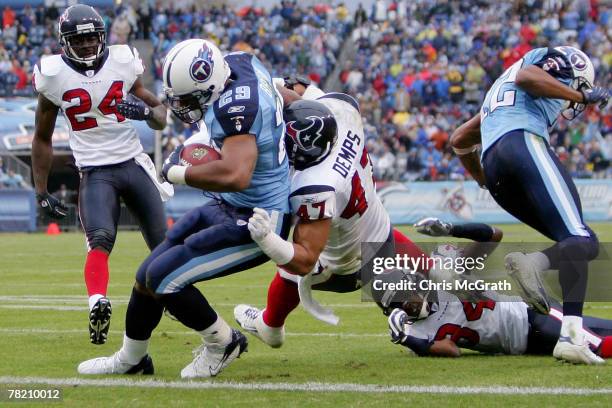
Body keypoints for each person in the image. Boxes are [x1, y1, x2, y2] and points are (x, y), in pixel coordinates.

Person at [78, 39, 291, 379]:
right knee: (146, 274)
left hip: (258, 220)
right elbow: (282, 93)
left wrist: (179, 172)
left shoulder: (238, 106)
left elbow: (237, 174)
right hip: (228, 205)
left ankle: (223, 342)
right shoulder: (240, 62)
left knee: (165, 279)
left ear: (210, 85)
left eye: (188, 99)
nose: (180, 105)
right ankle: (132, 359)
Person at [450, 46, 609, 364]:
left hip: (497, 165)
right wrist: (580, 97)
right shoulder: (553, 61)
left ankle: (537, 268)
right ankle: (571, 335)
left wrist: (483, 177)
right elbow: (528, 77)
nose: (569, 99)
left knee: (584, 243)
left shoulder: (500, 89)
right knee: (578, 237)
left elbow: (460, 139)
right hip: (521, 142)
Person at [31, 5, 169, 345]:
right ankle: (97, 301)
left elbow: (162, 117)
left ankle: (175, 297)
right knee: (100, 239)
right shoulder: (52, 76)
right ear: (65, 43)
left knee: (162, 244)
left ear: (103, 37)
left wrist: (145, 112)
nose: (89, 46)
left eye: (93, 38)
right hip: (94, 170)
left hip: (132, 163)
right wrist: (41, 189)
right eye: (80, 41)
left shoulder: (122, 62)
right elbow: (42, 137)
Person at [234, 83, 397, 347]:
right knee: (433, 289)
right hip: (384, 237)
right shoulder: (343, 115)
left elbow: (304, 262)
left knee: (292, 260)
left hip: (347, 270)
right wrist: (268, 86)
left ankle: (270, 325)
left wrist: (267, 240)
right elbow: (305, 92)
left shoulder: (315, 185)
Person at [382, 269, 612, 360]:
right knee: (597, 336)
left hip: (530, 315)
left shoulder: (443, 282)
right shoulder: (414, 332)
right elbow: (452, 351)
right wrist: (406, 339)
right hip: (523, 344)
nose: (408, 305)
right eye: (399, 304)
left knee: (594, 345)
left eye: (406, 295)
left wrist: (452, 230)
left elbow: (493, 236)